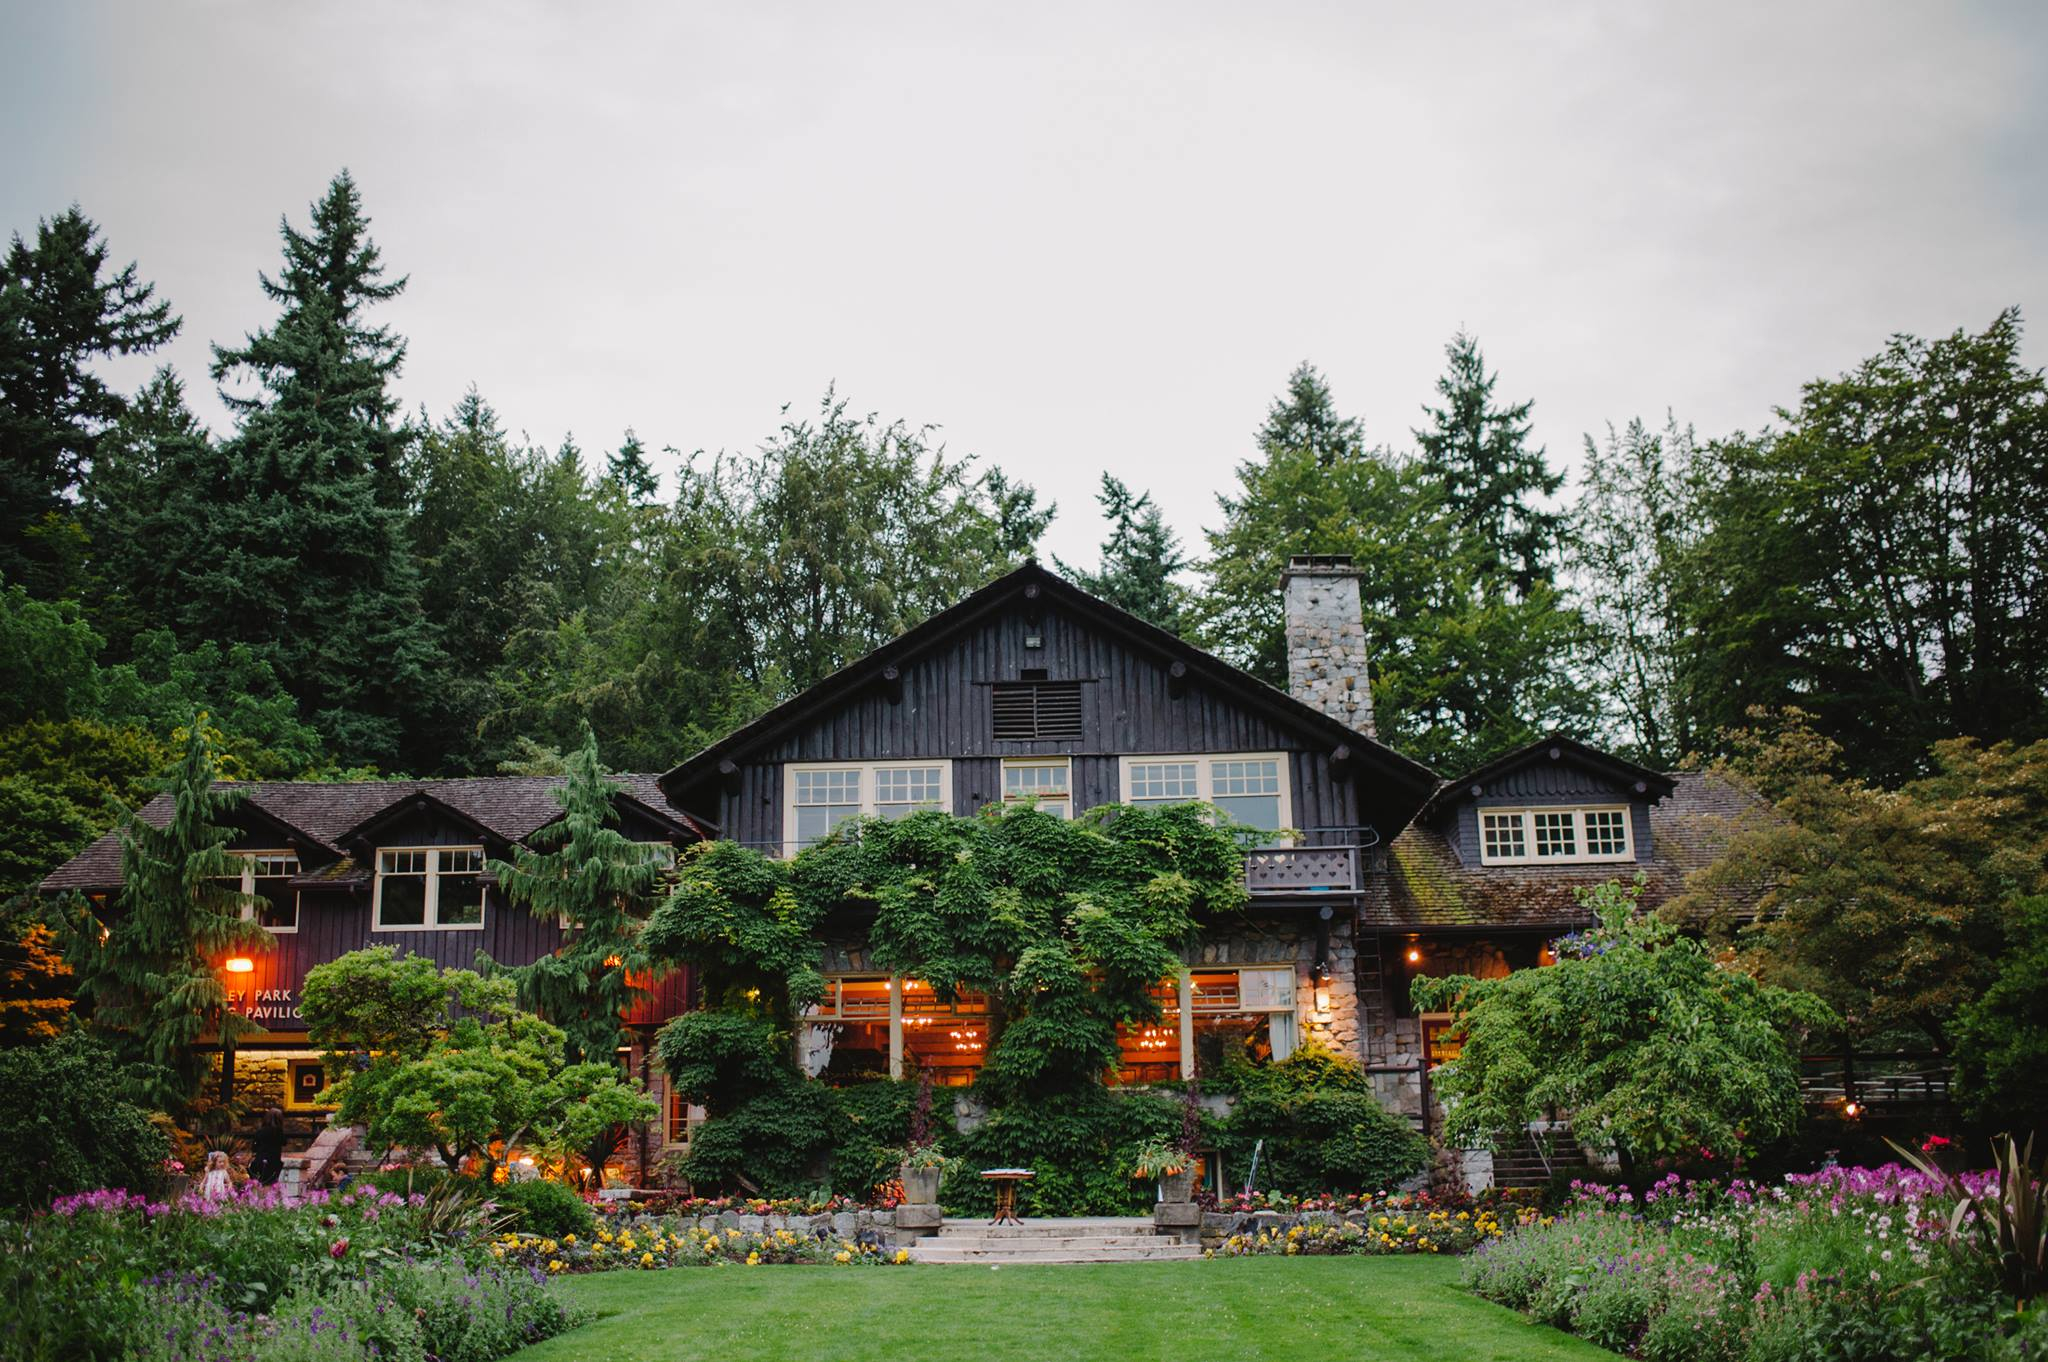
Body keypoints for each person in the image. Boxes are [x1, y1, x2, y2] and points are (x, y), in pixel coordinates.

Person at [250, 1108, 285, 1186]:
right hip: (274, 1161)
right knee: (270, 1183)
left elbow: (254, 1147)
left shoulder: (260, 1131)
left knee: (258, 1183)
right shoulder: (279, 1132)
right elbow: (284, 1142)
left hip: (260, 1160)